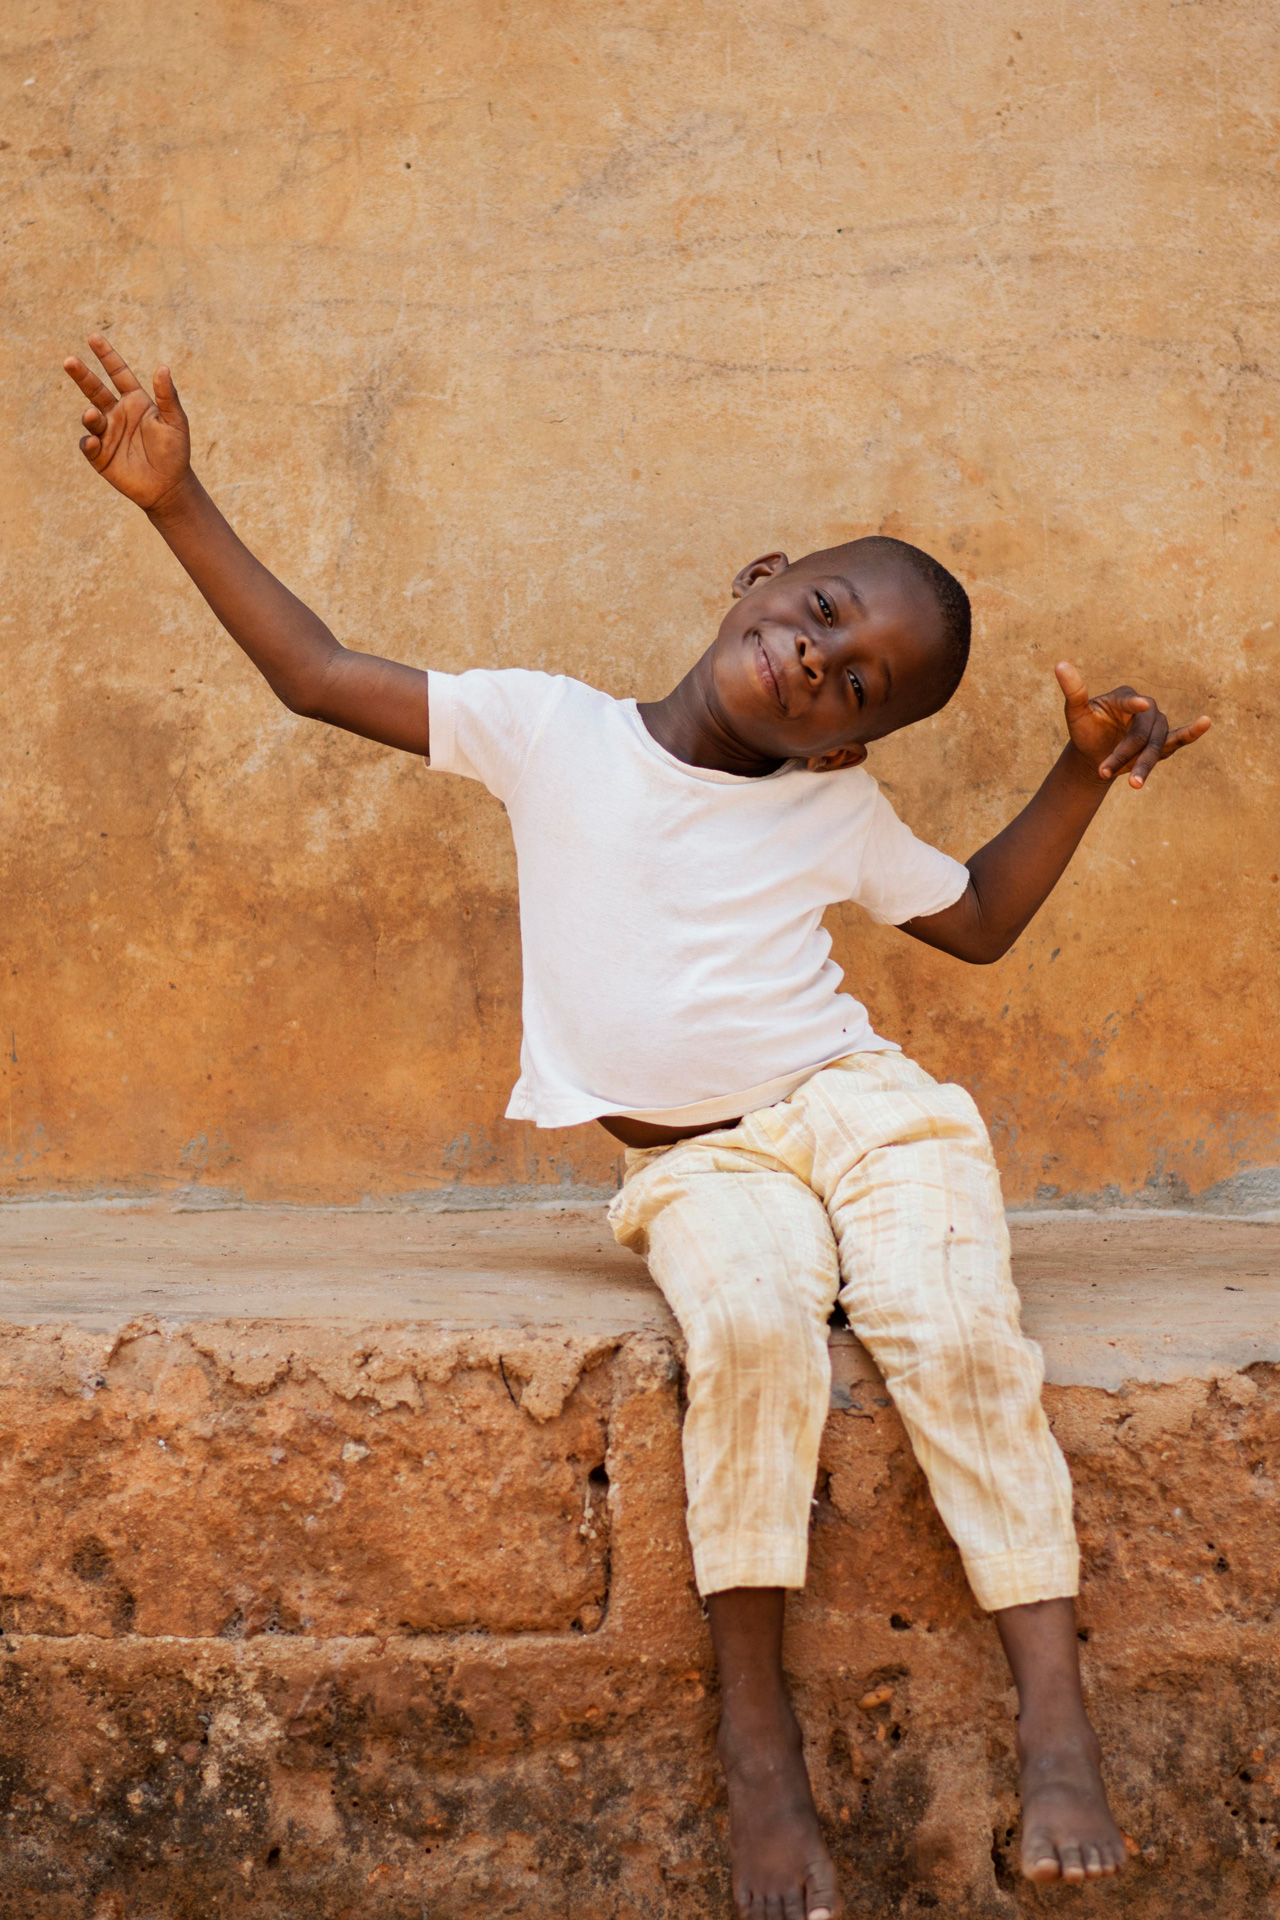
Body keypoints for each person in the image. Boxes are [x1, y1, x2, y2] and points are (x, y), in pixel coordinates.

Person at [62, 335, 1210, 1919]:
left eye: (854, 684)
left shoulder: (833, 809)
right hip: (699, 1163)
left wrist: (1076, 775)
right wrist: (175, 499)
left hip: (862, 1112)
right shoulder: (552, 733)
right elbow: (315, 674)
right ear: (763, 578)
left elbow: (980, 920)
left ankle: (1056, 1715)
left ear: (846, 742)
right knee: (752, 1333)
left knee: (954, 1330)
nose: (817, 659)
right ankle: (759, 1745)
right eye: (821, 614)